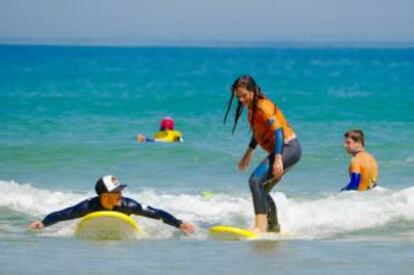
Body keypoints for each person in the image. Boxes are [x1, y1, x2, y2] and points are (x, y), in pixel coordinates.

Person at [224, 75, 301, 234]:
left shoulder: (263, 106)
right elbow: (258, 134)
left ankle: (260, 227)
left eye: (244, 95)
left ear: (253, 90)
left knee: (255, 180)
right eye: (238, 97)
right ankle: (273, 229)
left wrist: (278, 158)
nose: (241, 100)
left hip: (288, 147)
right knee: (262, 189)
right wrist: (248, 153)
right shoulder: (251, 110)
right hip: (284, 150)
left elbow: (278, 131)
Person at [29, 175, 195, 234]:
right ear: (103, 195)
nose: (120, 194)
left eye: (120, 190)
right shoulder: (87, 207)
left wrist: (179, 224)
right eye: (116, 191)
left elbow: (156, 213)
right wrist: (42, 223)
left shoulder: (128, 205)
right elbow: (61, 214)